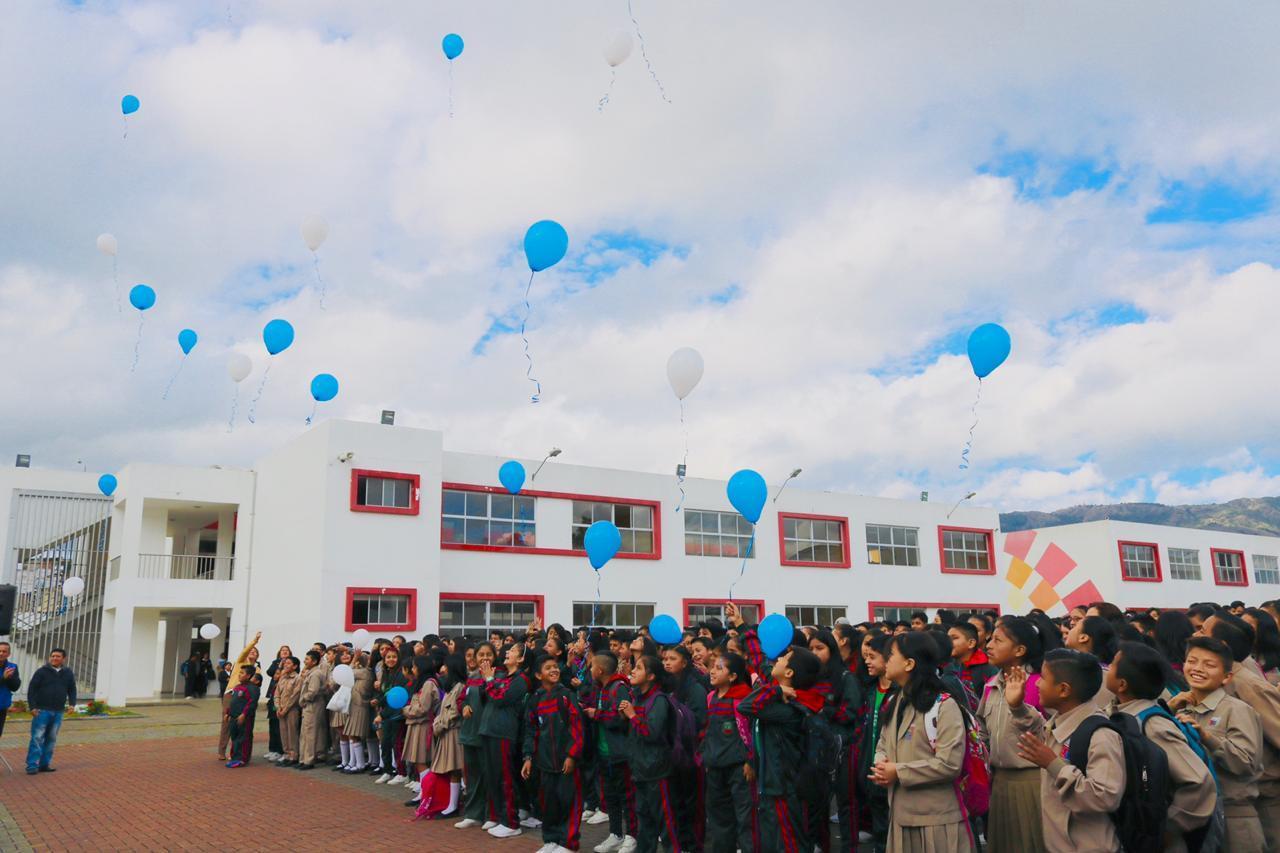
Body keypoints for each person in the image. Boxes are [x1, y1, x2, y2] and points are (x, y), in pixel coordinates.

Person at [1009, 649, 1125, 852]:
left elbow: (1105, 797)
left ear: (1063, 690)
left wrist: (1054, 765)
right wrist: (1018, 707)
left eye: (1043, 678)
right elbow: (1036, 728)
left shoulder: (1100, 735)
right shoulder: (1060, 721)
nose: (1036, 683)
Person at [869, 632, 973, 853]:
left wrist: (897, 771)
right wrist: (881, 764)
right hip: (899, 816)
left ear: (909, 664)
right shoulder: (895, 701)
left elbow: (949, 764)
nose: (884, 659)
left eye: (890, 654)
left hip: (936, 821)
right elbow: (883, 743)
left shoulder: (943, 705)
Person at [1106, 642, 1215, 852]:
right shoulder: (1124, 713)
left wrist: (1169, 826)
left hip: (1163, 841)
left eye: (1111, 665)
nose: (1107, 668)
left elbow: (1199, 781)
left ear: (1122, 685)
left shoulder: (1153, 726)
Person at [1169, 636, 1264, 852]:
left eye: (1209, 665)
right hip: (1193, 817)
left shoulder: (1236, 710)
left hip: (1234, 817)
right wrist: (1169, 709)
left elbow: (1246, 763)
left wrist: (1206, 737)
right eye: (1192, 661)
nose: (1198, 669)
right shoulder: (1181, 708)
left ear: (1226, 677)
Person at [975, 615, 1054, 852]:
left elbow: (1056, 730)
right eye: (990, 639)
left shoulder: (1041, 684)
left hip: (1032, 780)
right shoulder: (991, 683)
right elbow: (982, 728)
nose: (988, 645)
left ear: (1020, 650)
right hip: (999, 781)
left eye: (997, 640)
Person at [739, 645, 823, 852]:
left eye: (785, 657)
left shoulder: (789, 708)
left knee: (789, 844)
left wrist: (775, 689)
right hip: (772, 785)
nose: (778, 658)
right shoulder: (779, 701)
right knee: (772, 842)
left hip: (785, 788)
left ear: (789, 672)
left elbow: (745, 706)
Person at [522, 654, 586, 852]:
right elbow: (530, 730)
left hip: (566, 762)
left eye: (556, 666)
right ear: (538, 675)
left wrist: (572, 755)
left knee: (568, 801)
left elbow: (577, 727)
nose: (554, 670)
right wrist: (528, 758)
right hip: (545, 762)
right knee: (548, 802)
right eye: (548, 667)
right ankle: (551, 839)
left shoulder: (567, 696)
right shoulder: (535, 700)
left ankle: (568, 842)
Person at [619, 654, 680, 853]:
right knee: (644, 820)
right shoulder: (637, 696)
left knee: (665, 821)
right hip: (640, 768)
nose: (633, 671)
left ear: (651, 676)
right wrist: (626, 716)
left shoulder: (659, 700)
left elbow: (652, 733)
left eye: (638, 668)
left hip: (656, 770)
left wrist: (633, 716)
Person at [584, 650, 638, 853]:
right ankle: (615, 834)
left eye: (591, 667)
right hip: (604, 752)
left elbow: (619, 719)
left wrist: (595, 714)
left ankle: (633, 835)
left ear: (599, 670)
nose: (589, 670)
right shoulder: (602, 688)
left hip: (620, 753)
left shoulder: (619, 688)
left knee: (627, 797)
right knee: (611, 796)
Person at [701, 651, 754, 853]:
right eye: (712, 667)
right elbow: (709, 733)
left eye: (719, 668)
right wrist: (707, 757)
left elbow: (751, 734)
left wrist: (751, 762)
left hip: (739, 769)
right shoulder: (711, 698)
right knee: (719, 818)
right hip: (715, 768)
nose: (712, 671)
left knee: (744, 818)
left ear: (732, 676)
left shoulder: (743, 699)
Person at [480, 641, 531, 838]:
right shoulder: (502, 676)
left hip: (505, 732)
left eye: (512, 651)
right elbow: (490, 695)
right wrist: (490, 680)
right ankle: (499, 817)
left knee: (505, 777)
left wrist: (489, 679)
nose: (507, 653)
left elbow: (500, 699)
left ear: (521, 658)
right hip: (490, 730)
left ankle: (511, 822)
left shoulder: (521, 680)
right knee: (493, 776)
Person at [454, 642, 495, 830]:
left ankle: (490, 815)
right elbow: (461, 699)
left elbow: (496, 698)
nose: (484, 658)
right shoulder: (471, 679)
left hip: (487, 734)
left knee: (489, 776)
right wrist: (464, 707)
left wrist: (490, 679)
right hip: (469, 733)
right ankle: (473, 814)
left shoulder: (499, 676)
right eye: (481, 655)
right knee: (471, 776)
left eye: (489, 654)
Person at [25, 647, 77, 775]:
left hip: (58, 711)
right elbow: (32, 690)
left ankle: (44, 764)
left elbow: (72, 689)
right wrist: (32, 707)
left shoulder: (68, 673)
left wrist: (72, 704)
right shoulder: (41, 672)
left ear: (63, 659)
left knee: (51, 739)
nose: (54, 658)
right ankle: (32, 765)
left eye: (58, 656)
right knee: (37, 738)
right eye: (52, 656)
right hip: (41, 711)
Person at [218, 630, 261, 761]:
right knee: (227, 722)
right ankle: (221, 751)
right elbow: (244, 652)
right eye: (251, 650)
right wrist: (255, 640)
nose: (252, 652)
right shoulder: (241, 661)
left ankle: (236, 751)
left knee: (241, 724)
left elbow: (256, 683)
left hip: (245, 697)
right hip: (231, 694)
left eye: (255, 651)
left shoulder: (257, 669)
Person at [224, 665, 258, 768]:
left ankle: (243, 759)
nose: (239, 675)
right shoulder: (237, 687)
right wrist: (228, 713)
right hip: (233, 717)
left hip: (244, 718)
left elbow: (252, 703)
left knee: (244, 737)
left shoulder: (253, 688)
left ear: (248, 676)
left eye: (242, 673)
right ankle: (234, 757)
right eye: (239, 672)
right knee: (234, 737)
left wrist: (244, 714)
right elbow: (233, 702)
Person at [297, 649, 326, 770]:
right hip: (309, 706)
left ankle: (309, 760)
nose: (305, 661)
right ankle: (303, 758)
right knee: (304, 733)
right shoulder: (310, 672)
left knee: (310, 733)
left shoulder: (315, 674)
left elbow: (313, 691)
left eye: (307, 659)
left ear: (314, 661)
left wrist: (303, 699)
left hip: (313, 705)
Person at [272, 655, 302, 765]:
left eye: (289, 663)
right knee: (283, 732)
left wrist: (285, 709)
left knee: (292, 732)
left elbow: (295, 696)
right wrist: (278, 706)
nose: (285, 665)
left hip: (292, 710)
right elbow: (277, 693)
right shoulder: (282, 677)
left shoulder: (298, 678)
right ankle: (286, 754)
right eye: (285, 663)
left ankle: (294, 756)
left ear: (295, 666)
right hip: (281, 710)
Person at [0, 641, 21, 739]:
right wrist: (3, 678)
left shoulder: (13, 667)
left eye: (4, 651)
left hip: (2, 706)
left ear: (8, 654)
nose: (1, 653)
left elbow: (15, 687)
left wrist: (10, 678)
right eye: (0, 651)